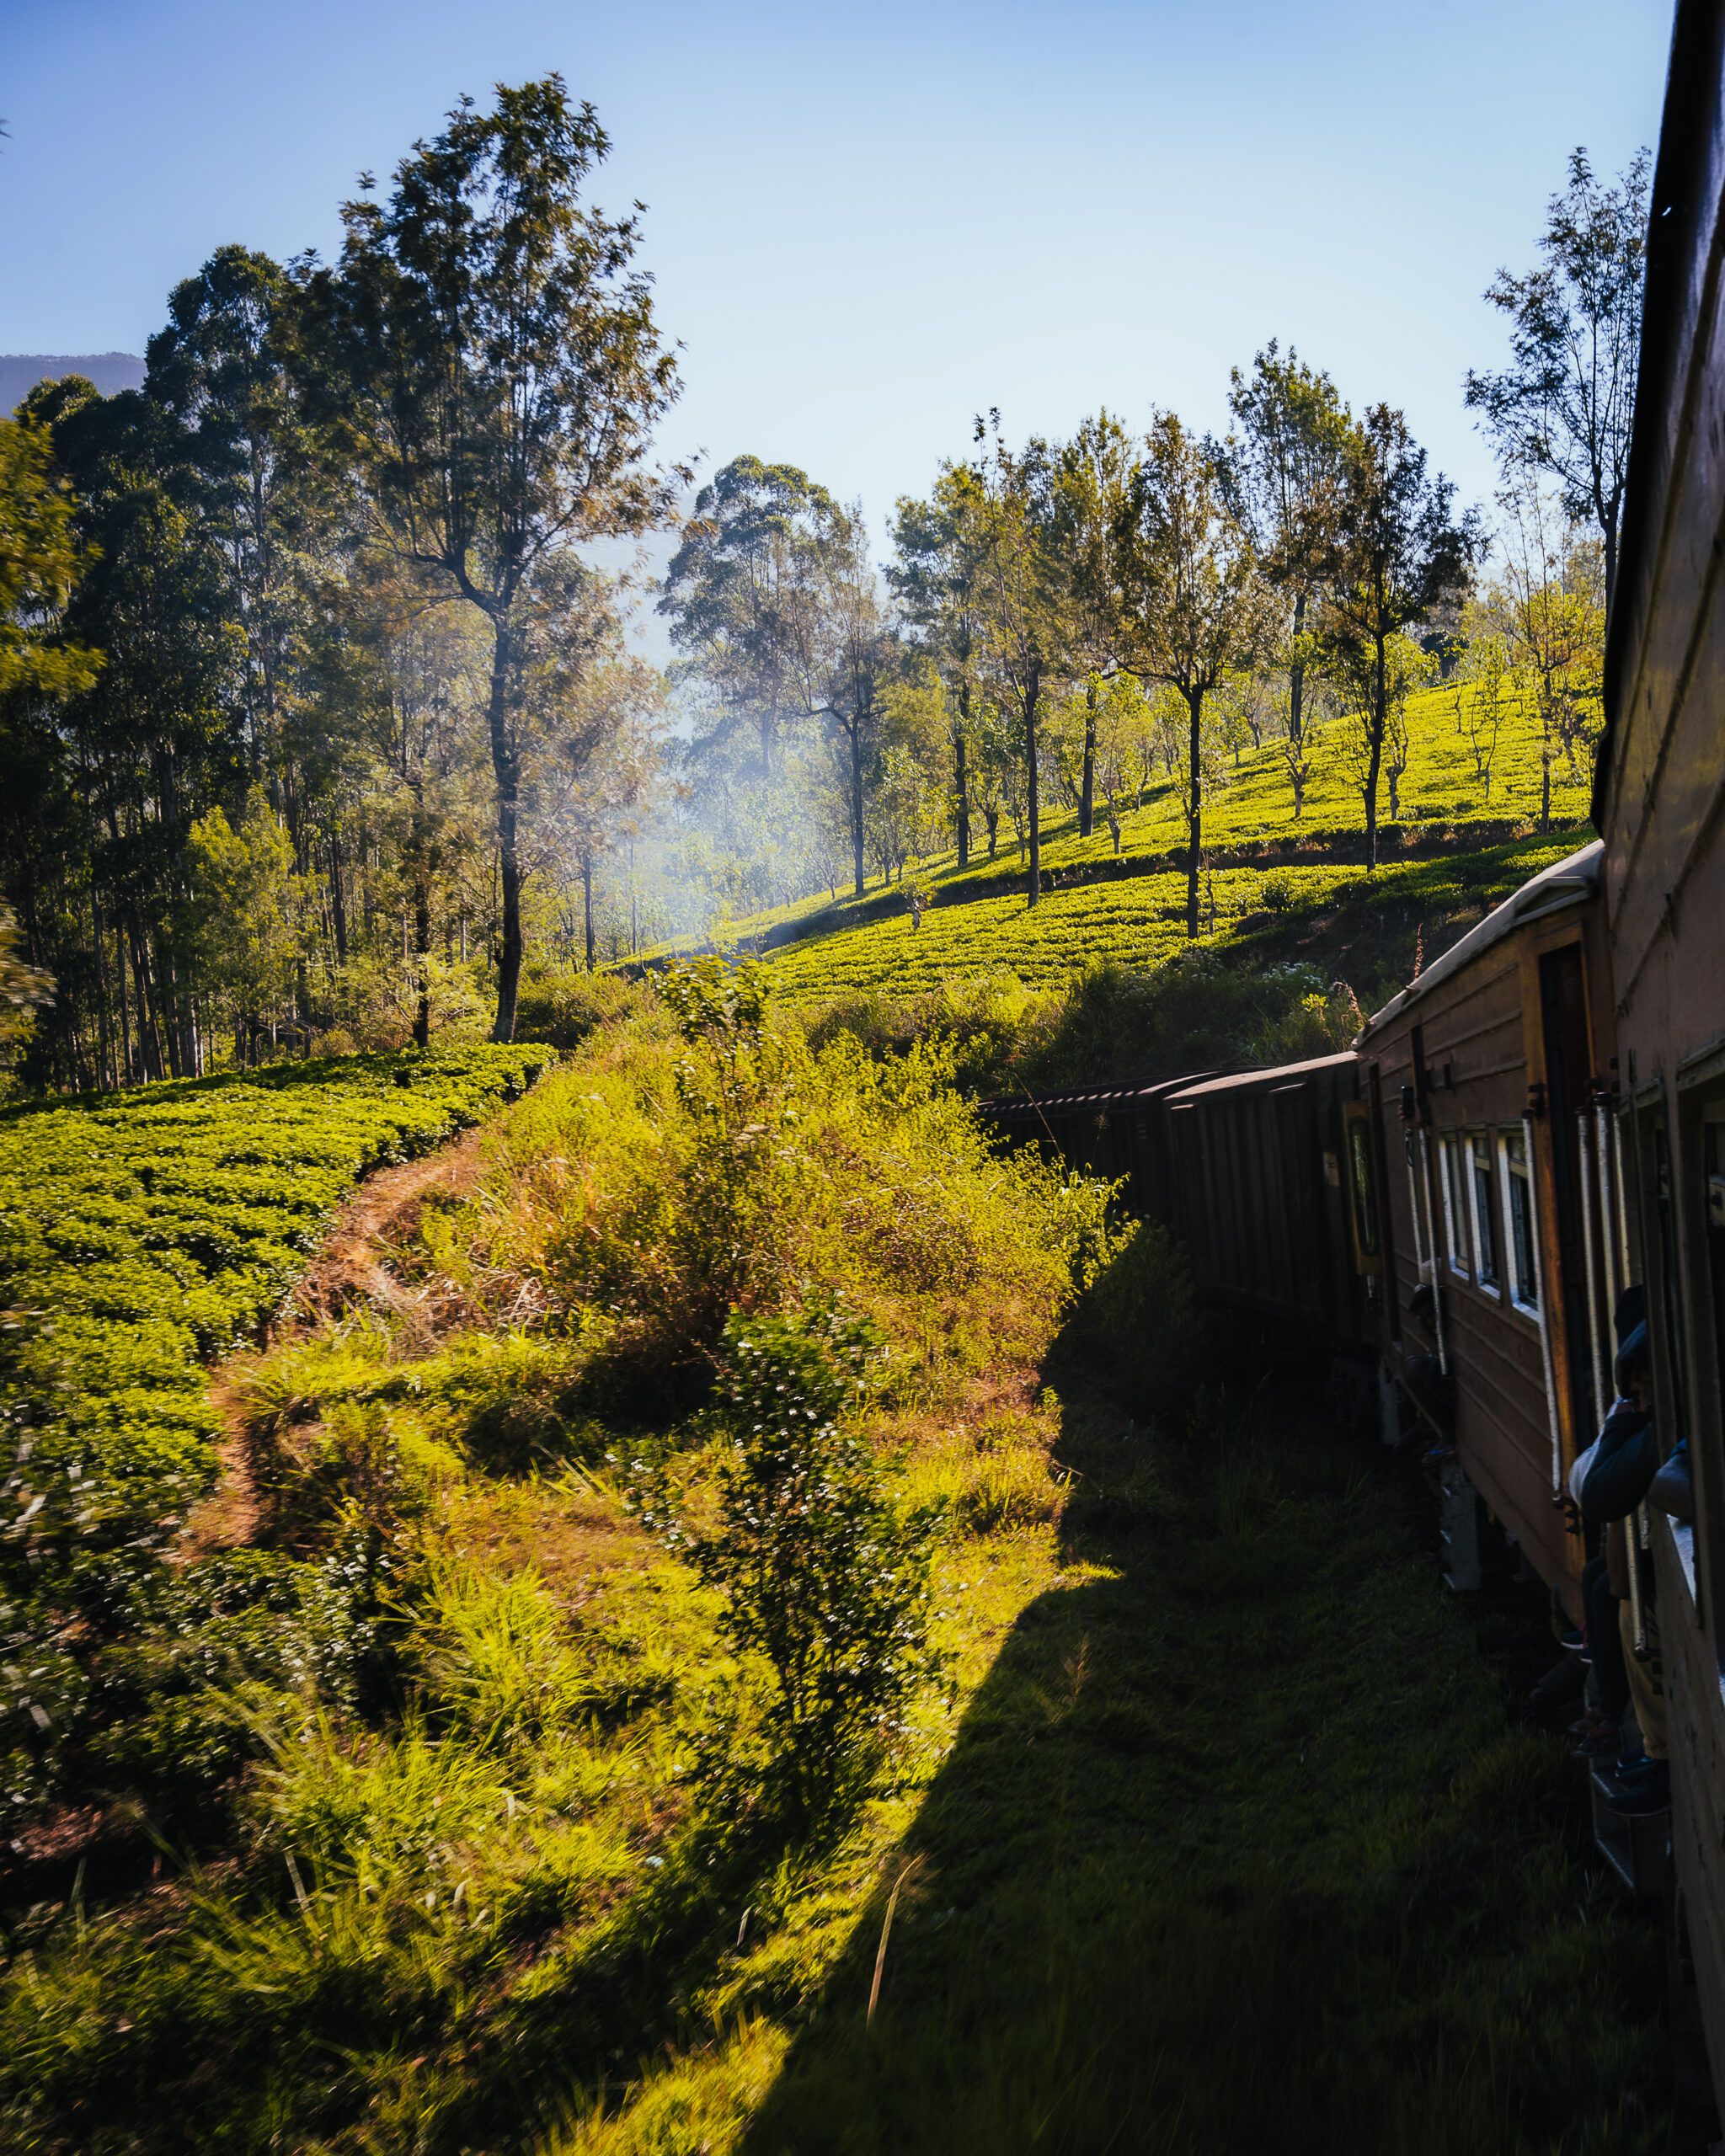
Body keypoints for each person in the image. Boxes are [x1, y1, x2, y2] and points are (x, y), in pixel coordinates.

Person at [1573, 1299, 1666, 1815]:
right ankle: (1639, 1735)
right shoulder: (1643, 1417)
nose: (1639, 1397)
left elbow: (1598, 1490)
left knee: (1626, 1596)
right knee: (1609, 1581)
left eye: (1642, 1380)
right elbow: (1588, 1483)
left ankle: (1659, 1750)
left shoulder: (1656, 1421)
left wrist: (1625, 1419)